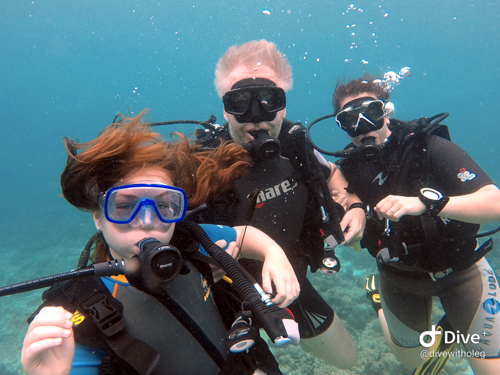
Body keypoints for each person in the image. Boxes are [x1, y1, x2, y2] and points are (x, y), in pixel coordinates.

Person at [20, 111, 301, 375]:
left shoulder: (189, 241)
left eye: (164, 205)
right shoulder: (73, 313)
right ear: (98, 217)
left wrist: (274, 254)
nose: (146, 220)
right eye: (124, 206)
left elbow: (244, 236)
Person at [193, 40, 366, 369]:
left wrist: (354, 203)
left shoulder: (295, 144)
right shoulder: (203, 163)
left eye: (269, 100)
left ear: (283, 106)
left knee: (348, 358)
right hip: (224, 303)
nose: (256, 117)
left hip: (292, 282)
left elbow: (331, 174)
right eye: (241, 101)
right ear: (226, 108)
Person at [332, 74, 500, 374]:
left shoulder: (428, 146)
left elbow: (494, 203)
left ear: (387, 111)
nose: (362, 129)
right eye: (350, 121)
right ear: (341, 127)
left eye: (370, 113)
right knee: (413, 362)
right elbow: (343, 194)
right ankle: (378, 300)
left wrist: (430, 203)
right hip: (399, 278)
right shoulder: (350, 167)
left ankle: (457, 327)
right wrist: (355, 206)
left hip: (461, 270)